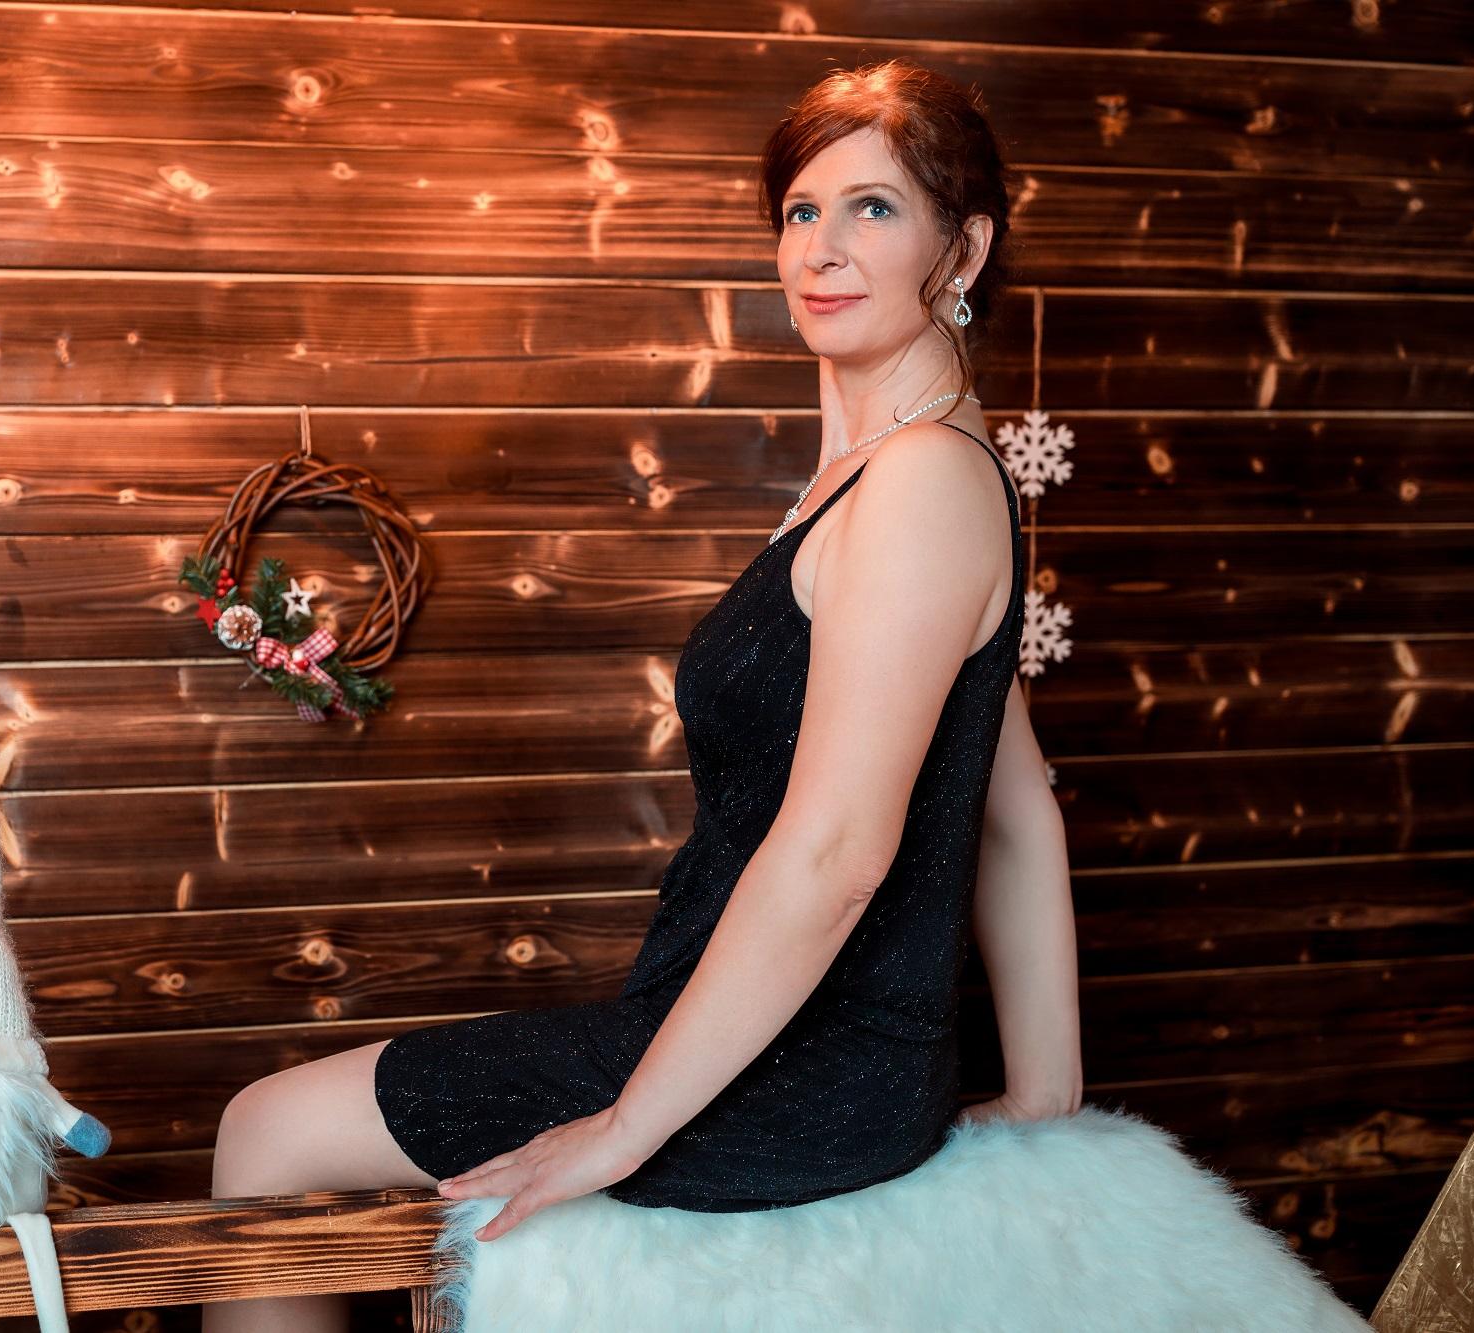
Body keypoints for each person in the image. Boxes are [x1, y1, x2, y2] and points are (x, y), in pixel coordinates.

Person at [201, 57, 1082, 1333]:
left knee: (265, 1134)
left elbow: (836, 853)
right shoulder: (898, 477)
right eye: (799, 210)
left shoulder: (919, 484)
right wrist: (1044, 1088)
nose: (822, 249)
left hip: (795, 1080)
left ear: (964, 246)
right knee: (288, 1131)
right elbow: (1012, 802)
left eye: (874, 208)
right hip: (792, 1053)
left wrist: (621, 1129)